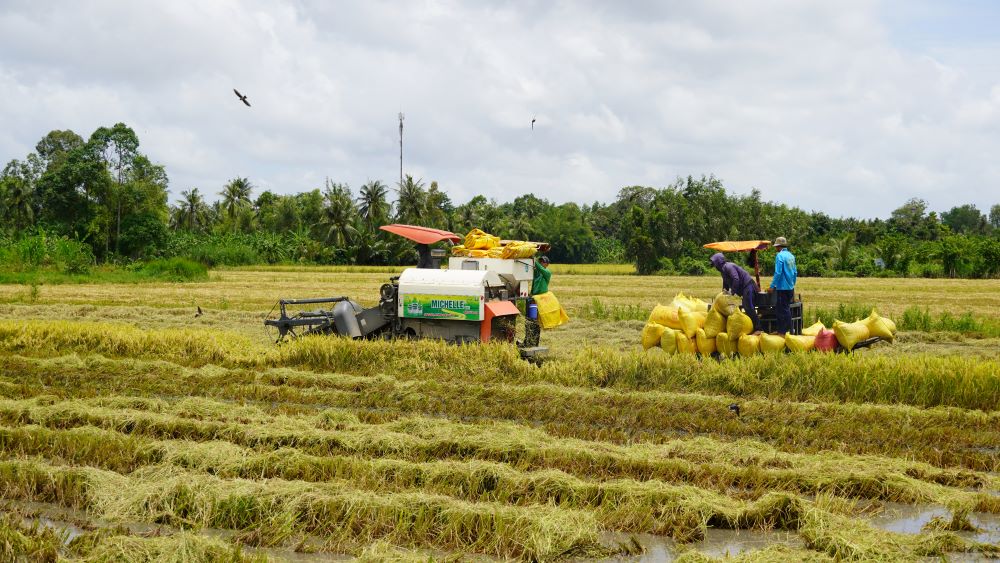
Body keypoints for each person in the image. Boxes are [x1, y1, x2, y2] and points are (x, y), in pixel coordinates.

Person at [709, 252, 760, 332]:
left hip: (748, 286)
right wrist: (723, 293)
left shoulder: (728, 266)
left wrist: (732, 292)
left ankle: (758, 328)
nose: (715, 267)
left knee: (748, 307)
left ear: (719, 262)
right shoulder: (723, 271)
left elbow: (736, 279)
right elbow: (726, 283)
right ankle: (752, 327)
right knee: (746, 307)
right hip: (745, 288)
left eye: (715, 264)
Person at [769, 237, 797, 334]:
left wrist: (772, 286)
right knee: (780, 309)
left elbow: (778, 272)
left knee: (784, 310)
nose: (776, 248)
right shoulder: (791, 256)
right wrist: (792, 284)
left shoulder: (780, 256)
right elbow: (795, 272)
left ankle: (790, 330)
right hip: (790, 287)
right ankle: (781, 330)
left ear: (779, 246)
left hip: (782, 288)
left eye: (776, 246)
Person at [524, 255, 551, 347]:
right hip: (534, 297)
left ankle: (534, 342)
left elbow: (539, 268)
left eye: (543, 262)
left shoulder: (547, 273)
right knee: (530, 319)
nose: (541, 263)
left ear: (547, 264)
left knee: (535, 321)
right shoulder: (537, 273)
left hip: (541, 298)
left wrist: (533, 259)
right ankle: (528, 340)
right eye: (540, 261)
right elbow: (534, 282)